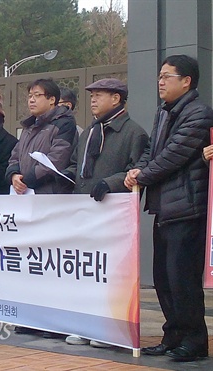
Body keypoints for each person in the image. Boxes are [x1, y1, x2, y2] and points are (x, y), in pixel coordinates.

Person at [124, 55, 213, 362]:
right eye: (159, 76)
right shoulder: (165, 112)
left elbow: (175, 154)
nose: (160, 82)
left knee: (182, 278)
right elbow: (153, 152)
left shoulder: (199, 113)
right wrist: (137, 170)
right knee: (163, 277)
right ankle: (172, 336)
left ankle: (194, 340)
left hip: (188, 207)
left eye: (166, 76)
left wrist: (143, 175)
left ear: (186, 81)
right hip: (165, 207)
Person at [62, 78, 148, 347]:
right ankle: (85, 324)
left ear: (117, 98)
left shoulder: (134, 132)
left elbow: (139, 170)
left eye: (99, 95)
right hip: (84, 210)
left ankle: (110, 330)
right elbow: (76, 164)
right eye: (92, 96)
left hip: (112, 212)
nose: (93, 100)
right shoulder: (89, 132)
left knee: (110, 271)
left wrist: (109, 183)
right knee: (85, 268)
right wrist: (63, 177)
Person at [6, 79, 77, 195]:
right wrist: (13, 175)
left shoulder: (64, 124)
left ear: (52, 100)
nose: (31, 100)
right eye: (30, 96)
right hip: (24, 194)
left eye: (37, 95)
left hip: (50, 195)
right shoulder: (29, 126)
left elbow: (56, 161)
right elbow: (15, 156)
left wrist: (25, 181)